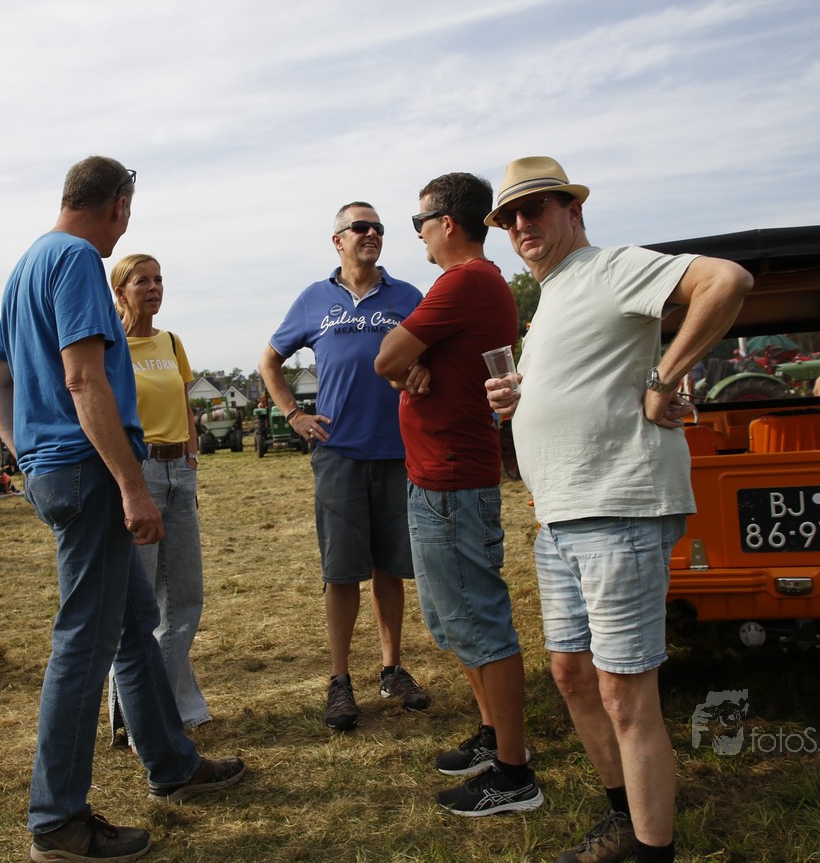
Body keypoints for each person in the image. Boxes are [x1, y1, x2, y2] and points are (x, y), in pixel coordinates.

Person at [484, 156, 751, 863]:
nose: (520, 224)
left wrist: (665, 378)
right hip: (560, 517)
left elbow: (726, 281)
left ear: (573, 210)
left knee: (625, 694)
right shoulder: (552, 298)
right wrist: (519, 398)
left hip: (618, 508)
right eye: (509, 218)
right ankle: (624, 819)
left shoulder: (609, 267)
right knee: (572, 676)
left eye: (535, 208)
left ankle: (653, 850)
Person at [0, 156, 243, 863]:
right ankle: (57, 821)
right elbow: (83, 378)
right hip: (90, 473)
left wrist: (26, 453)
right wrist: (130, 485)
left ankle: (173, 764)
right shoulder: (76, 262)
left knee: (131, 625)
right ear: (119, 205)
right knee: (83, 643)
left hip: (58, 468)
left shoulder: (29, 264)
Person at [373, 172, 540, 818]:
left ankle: (514, 775)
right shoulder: (479, 284)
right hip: (442, 478)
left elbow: (387, 358)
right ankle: (494, 736)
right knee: (459, 622)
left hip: (451, 482)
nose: (416, 234)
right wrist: (415, 365)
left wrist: (407, 363)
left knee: (480, 623)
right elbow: (403, 365)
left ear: (446, 222)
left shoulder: (464, 282)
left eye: (419, 223)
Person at [259, 201, 430, 732]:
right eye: (360, 227)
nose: (371, 233)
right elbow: (269, 360)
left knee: (390, 567)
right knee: (341, 571)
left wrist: (423, 370)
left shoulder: (407, 296)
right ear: (338, 240)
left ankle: (392, 669)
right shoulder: (314, 298)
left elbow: (433, 355)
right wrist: (294, 414)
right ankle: (339, 680)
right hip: (338, 454)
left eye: (378, 227)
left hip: (397, 451)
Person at [105, 252, 212, 740]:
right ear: (120, 292)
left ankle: (150, 712)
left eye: (159, 280)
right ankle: (145, 718)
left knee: (185, 599)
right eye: (142, 281)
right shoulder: (109, 346)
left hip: (178, 471)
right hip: (139, 471)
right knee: (141, 604)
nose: (153, 288)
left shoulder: (171, 342)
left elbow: (183, 403)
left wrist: (191, 459)